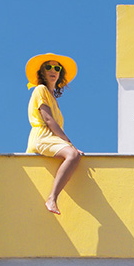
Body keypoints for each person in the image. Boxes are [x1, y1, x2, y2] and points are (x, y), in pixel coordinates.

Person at [25, 52, 83, 214]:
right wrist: (69, 144)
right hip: (42, 137)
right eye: (48, 67)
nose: (53, 70)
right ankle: (52, 198)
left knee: (73, 155)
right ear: (42, 72)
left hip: (49, 138)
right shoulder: (40, 89)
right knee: (72, 155)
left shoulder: (52, 97)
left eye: (57, 68)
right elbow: (49, 121)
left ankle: (53, 197)